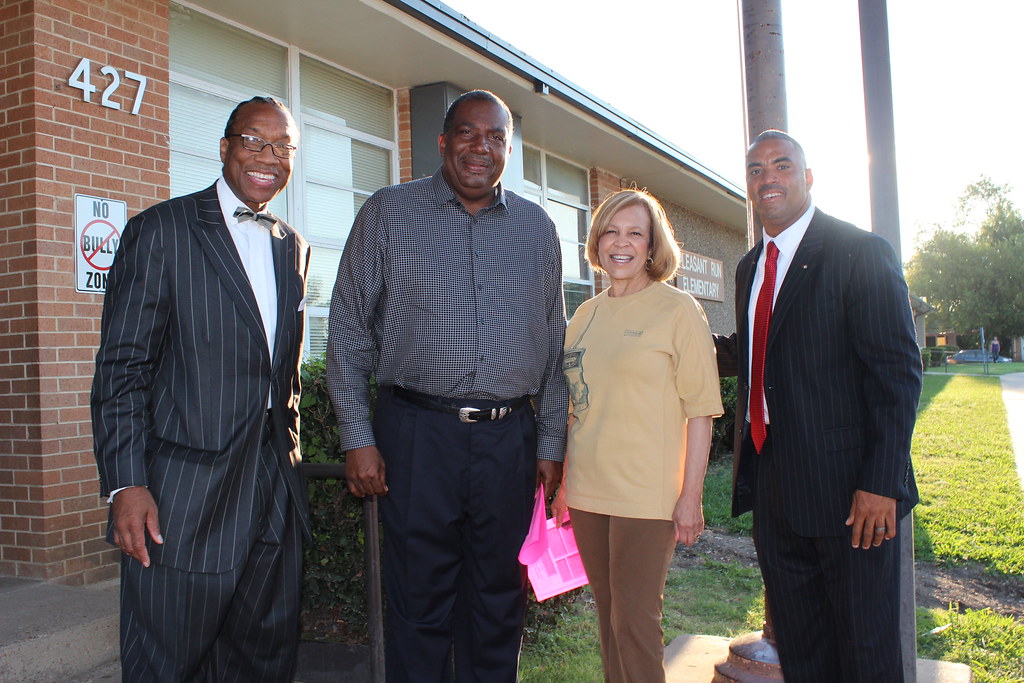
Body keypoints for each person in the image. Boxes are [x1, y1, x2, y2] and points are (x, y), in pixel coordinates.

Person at [326, 89, 568, 681]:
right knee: (418, 600)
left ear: (509, 148)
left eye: (494, 137)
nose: (479, 147)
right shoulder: (388, 212)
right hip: (415, 436)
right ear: (442, 142)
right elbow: (349, 330)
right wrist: (359, 437)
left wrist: (551, 444)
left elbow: (555, 345)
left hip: (508, 440)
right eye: (467, 133)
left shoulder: (537, 228)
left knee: (497, 599)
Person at [91, 96, 311, 681]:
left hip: (272, 496)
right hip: (183, 500)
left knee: (262, 658)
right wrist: (125, 483)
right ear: (224, 148)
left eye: (283, 147)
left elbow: (280, 375)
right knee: (168, 661)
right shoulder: (160, 232)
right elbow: (123, 368)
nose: (268, 157)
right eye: (254, 141)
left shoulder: (293, 246)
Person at [714, 130, 922, 682]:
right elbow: (755, 349)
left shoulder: (860, 252)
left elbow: (897, 374)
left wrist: (881, 481)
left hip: (853, 495)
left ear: (807, 178)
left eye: (782, 166)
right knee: (803, 651)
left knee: (865, 651)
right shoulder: (750, 267)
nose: (768, 177)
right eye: (756, 169)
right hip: (775, 486)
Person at [552, 189, 723, 682]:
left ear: (652, 246)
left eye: (634, 233)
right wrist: (566, 484)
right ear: (596, 241)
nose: (620, 242)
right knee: (607, 618)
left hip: (647, 496)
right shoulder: (585, 315)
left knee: (635, 622)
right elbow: (576, 406)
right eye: (610, 231)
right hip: (588, 492)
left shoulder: (678, 310)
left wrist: (690, 497)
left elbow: (701, 412)